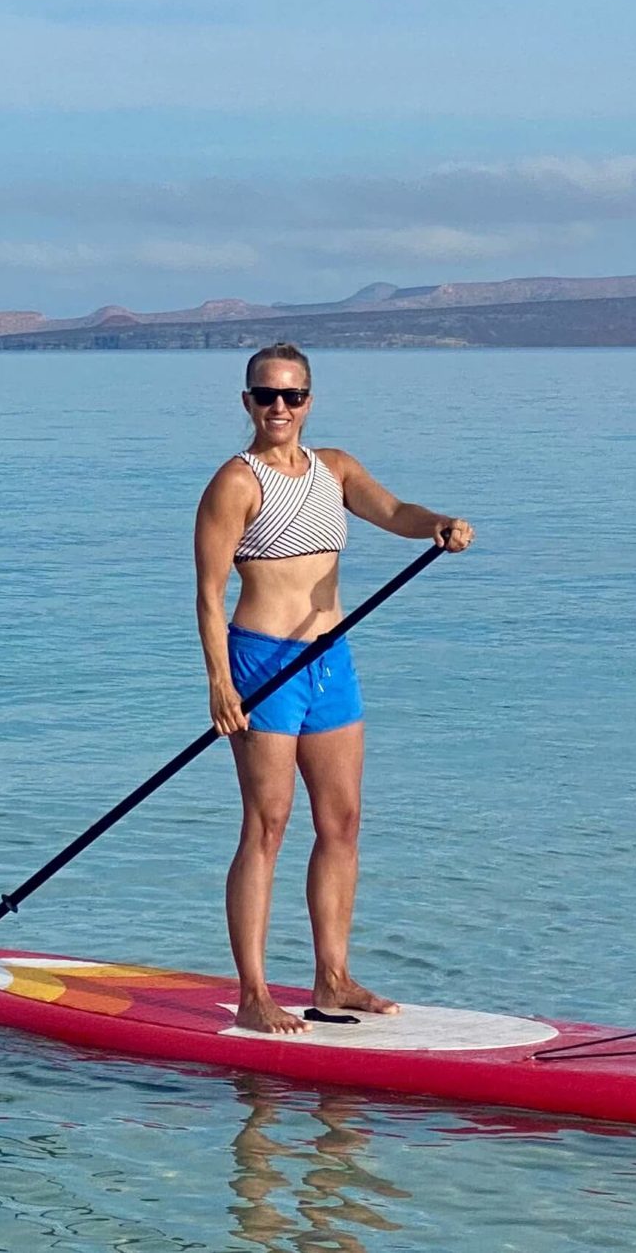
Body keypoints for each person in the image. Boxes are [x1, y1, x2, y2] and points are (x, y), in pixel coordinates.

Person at [192, 343, 472, 1034]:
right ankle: (254, 993)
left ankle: (333, 979)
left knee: (341, 823)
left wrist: (435, 524)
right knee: (267, 825)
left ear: (309, 401)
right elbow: (208, 592)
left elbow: (395, 509)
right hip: (263, 664)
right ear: (247, 403)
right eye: (266, 395)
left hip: (330, 660)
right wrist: (220, 684)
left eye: (292, 396)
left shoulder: (335, 469)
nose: (279, 407)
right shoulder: (236, 482)